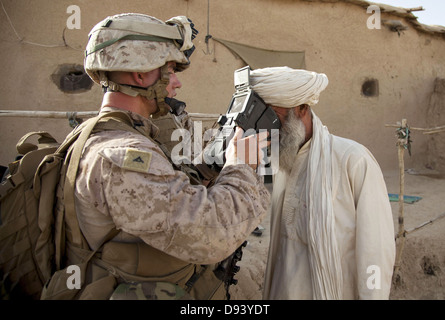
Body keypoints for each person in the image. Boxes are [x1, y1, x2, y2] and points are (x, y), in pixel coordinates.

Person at [59, 13, 270, 300]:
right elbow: (214, 234)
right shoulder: (121, 158)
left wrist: (206, 167)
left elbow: (165, 193)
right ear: (141, 73)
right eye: (170, 71)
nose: (176, 84)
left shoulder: (110, 135)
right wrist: (241, 164)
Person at [249, 66, 395, 300]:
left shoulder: (353, 160)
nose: (269, 129)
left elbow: (376, 250)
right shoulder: (285, 163)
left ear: (303, 108)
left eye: (274, 118)